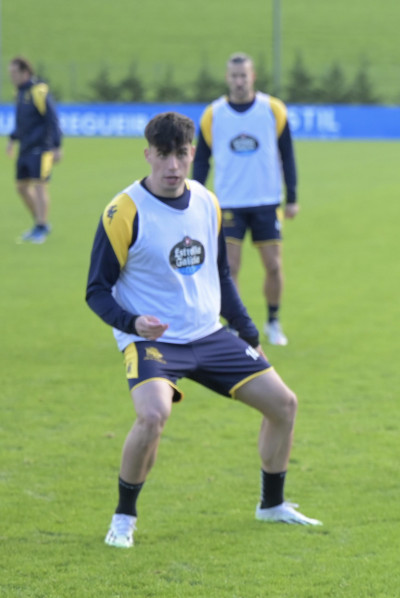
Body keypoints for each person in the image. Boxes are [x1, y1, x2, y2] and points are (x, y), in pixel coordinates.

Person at [86, 112, 320, 549]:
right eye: (162, 155)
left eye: (180, 155)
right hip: (153, 341)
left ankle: (271, 505)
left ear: (193, 153)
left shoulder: (207, 202)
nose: (172, 166)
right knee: (154, 415)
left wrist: (247, 331)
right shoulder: (124, 211)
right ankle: (123, 517)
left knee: (284, 405)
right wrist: (132, 322)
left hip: (209, 336)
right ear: (147, 155)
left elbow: (220, 276)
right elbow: (96, 290)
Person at [192, 52, 299, 346]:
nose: (239, 81)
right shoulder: (213, 114)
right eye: (234, 76)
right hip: (228, 203)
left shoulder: (272, 110)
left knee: (274, 265)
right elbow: (201, 160)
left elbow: (287, 154)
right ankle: (235, 326)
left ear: (252, 77)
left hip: (266, 201)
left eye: (244, 76)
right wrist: (193, 198)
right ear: (227, 78)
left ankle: (273, 321)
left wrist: (292, 196)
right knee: (230, 268)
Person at [6, 56, 62, 244]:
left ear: (25, 72)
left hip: (42, 148)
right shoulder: (19, 93)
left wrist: (56, 146)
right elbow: (23, 122)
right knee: (21, 187)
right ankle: (40, 224)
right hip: (25, 148)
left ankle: (41, 226)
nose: (11, 77)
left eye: (14, 73)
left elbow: (52, 119)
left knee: (39, 186)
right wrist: (12, 139)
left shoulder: (39, 91)